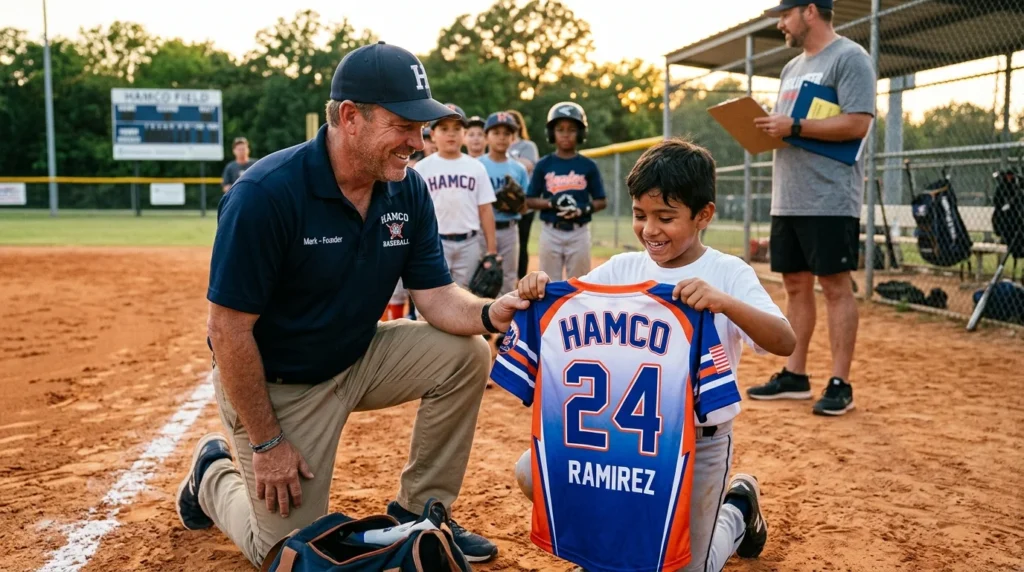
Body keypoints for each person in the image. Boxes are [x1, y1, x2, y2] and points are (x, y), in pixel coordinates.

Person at [175, 41, 530, 567]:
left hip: (356, 356)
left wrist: (486, 312)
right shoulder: (265, 195)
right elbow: (228, 331)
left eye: (422, 126)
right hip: (280, 386)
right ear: (350, 118)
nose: (418, 141)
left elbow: (434, 295)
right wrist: (269, 442)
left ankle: (421, 514)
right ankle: (212, 476)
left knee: (467, 352)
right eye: (403, 125)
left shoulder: (406, 190)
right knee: (285, 553)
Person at [515, 138, 796, 572]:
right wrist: (537, 288)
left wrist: (725, 303)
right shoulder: (621, 269)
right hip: (615, 441)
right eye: (639, 215)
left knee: (687, 568)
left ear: (703, 215)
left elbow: (784, 341)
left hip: (698, 444)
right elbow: (569, 306)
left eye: (666, 217)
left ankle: (737, 510)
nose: (650, 229)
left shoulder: (727, 272)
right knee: (532, 473)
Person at [748, 0, 875, 417]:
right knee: (796, 285)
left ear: (809, 12)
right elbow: (790, 128)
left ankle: (841, 382)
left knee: (835, 286)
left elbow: (858, 122)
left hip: (830, 197)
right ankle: (795, 374)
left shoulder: (850, 57)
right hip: (789, 196)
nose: (781, 24)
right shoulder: (791, 68)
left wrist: (795, 127)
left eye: (785, 15)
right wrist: (771, 128)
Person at [413, 104, 499, 289]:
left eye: (457, 128)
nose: (451, 134)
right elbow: (414, 212)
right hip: (434, 241)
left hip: (469, 243)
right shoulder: (422, 168)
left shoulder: (476, 167)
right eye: (444, 129)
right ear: (433, 134)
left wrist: (491, 250)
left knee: (465, 295)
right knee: (431, 293)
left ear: (465, 133)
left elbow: (485, 209)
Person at [525, 101, 606, 281]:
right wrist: (551, 203)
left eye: (571, 129)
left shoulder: (588, 165)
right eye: (560, 129)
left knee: (579, 283)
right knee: (547, 285)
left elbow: (601, 200)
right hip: (550, 232)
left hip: (579, 232)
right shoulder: (543, 165)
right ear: (551, 133)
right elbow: (529, 199)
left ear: (581, 133)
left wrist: (582, 209)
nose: (566, 134)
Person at [477, 111, 530, 296]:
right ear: (486, 137)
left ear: (513, 138)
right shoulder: (476, 165)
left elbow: (525, 207)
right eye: (496, 133)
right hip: (481, 230)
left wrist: (514, 204)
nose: (501, 137)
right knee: (480, 277)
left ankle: (505, 323)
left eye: (506, 133)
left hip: (509, 229)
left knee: (508, 278)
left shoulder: (519, 169)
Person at [506, 109, 539, 279]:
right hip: (503, 203)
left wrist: (505, 160)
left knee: (522, 243)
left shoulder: (527, 145)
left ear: (518, 125)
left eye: (512, 121)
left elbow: (529, 165)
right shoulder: (498, 143)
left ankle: (520, 280)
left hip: (522, 202)